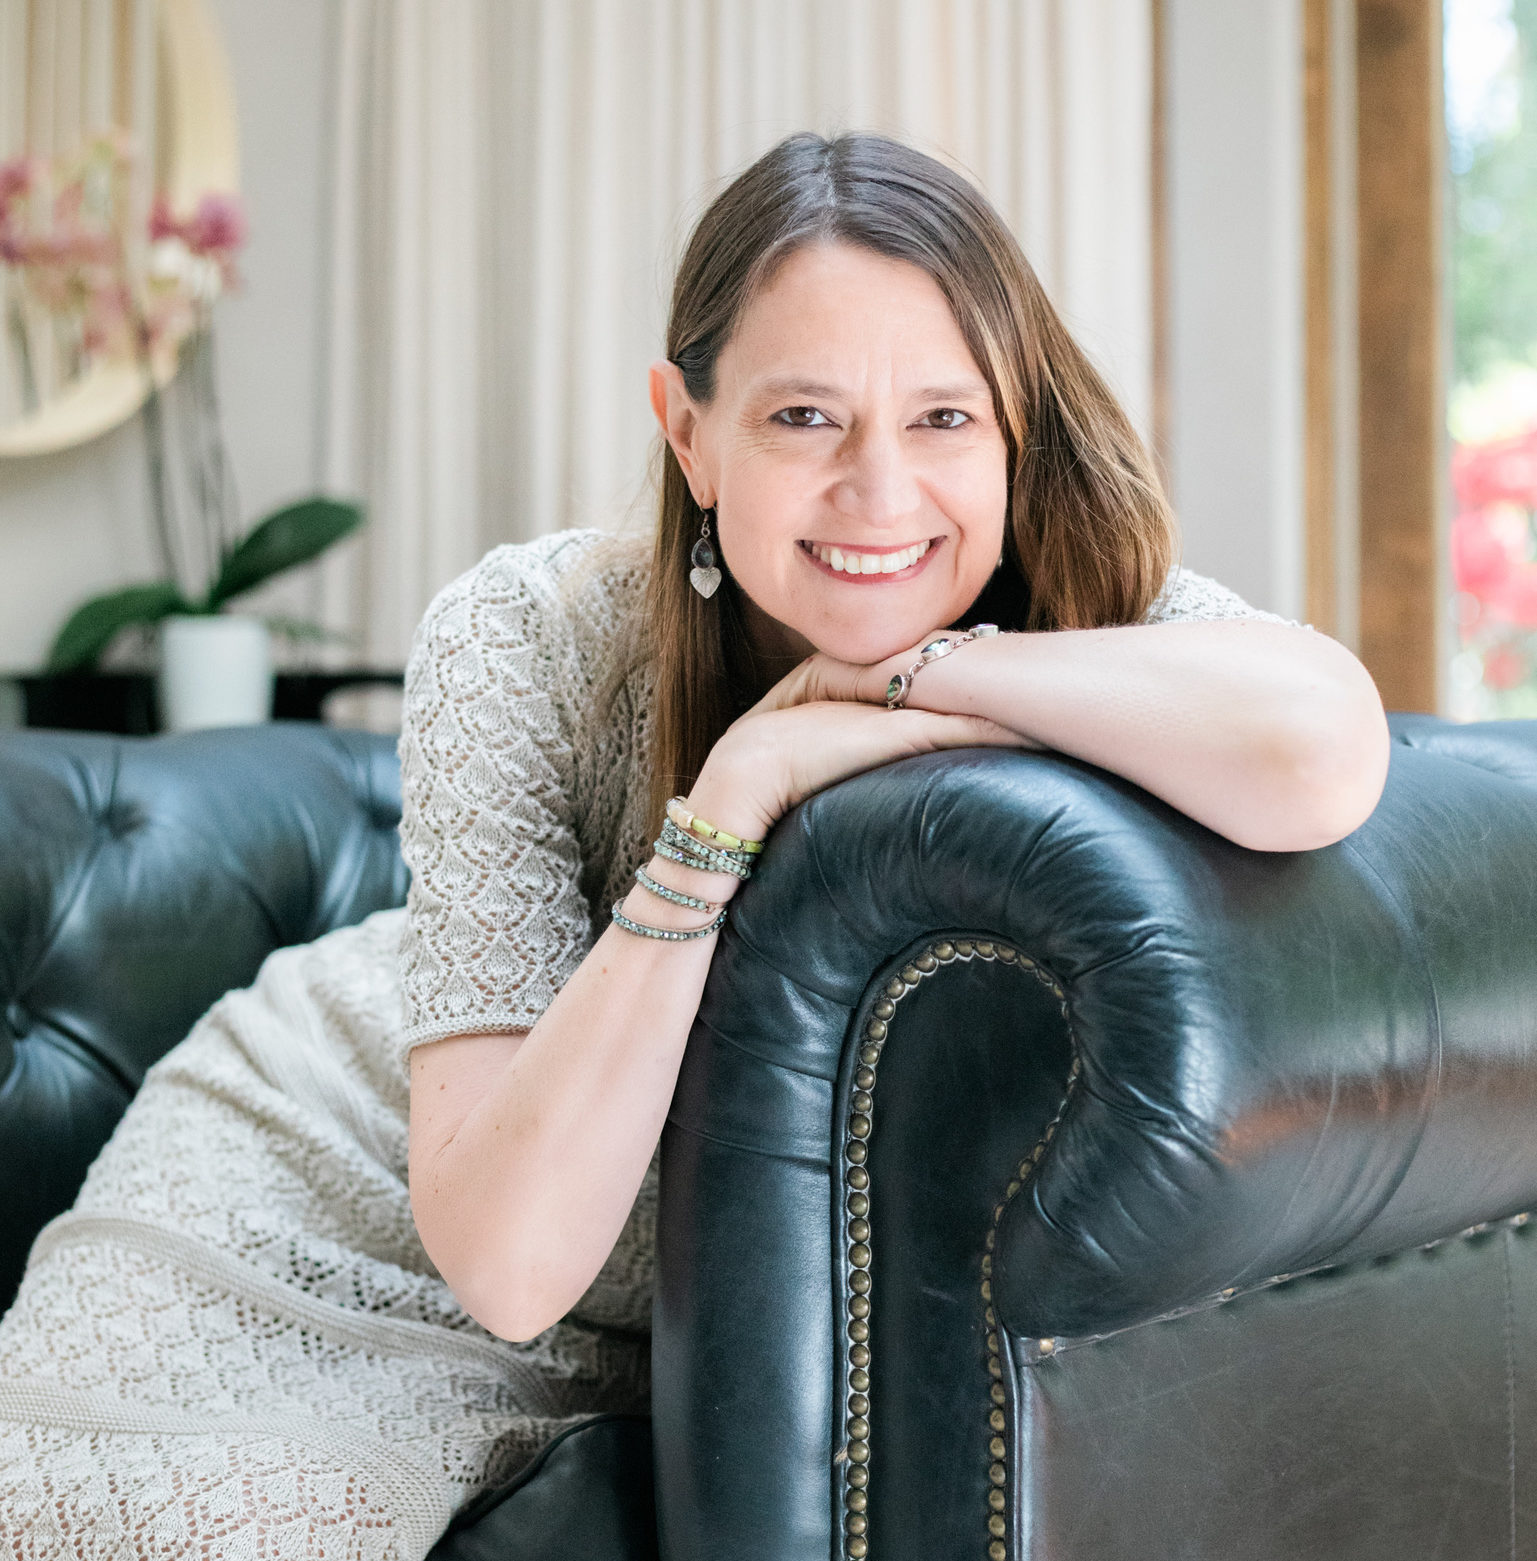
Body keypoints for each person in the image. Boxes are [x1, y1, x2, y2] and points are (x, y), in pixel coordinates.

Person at [0, 132, 1389, 1558]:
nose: (880, 491)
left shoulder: (1077, 619)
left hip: (670, 1282)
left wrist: (905, 679)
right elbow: (509, 1257)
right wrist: (728, 802)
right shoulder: (524, 633)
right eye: (802, 418)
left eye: (942, 418)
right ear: (687, 431)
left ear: (1013, 429)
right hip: (335, 1179)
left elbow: (1324, 749)